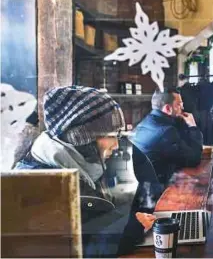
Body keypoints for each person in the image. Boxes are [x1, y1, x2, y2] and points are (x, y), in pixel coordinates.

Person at [14, 86, 128, 257]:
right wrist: (136, 226)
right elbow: (87, 249)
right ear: (82, 137)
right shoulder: (42, 185)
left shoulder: (79, 166)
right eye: (112, 134)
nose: (116, 144)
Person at [130, 88, 203, 187]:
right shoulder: (166, 132)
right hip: (160, 193)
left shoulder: (144, 123)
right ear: (168, 109)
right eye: (179, 104)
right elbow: (194, 159)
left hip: (144, 188)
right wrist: (193, 126)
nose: (182, 107)